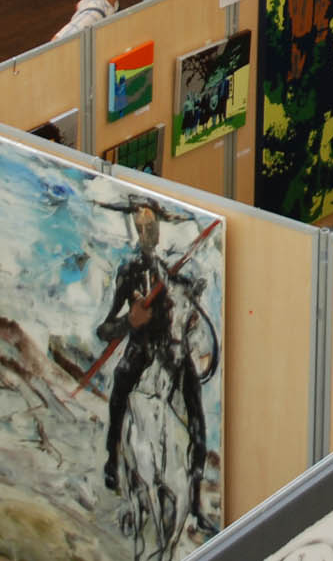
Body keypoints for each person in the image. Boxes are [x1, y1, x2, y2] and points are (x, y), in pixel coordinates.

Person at [96, 201, 212, 532]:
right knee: (120, 386)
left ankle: (195, 497)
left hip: (171, 352)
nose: (147, 233)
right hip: (141, 350)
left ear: (159, 230)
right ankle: (112, 458)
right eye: (141, 228)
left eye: (151, 227)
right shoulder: (129, 273)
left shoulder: (170, 273)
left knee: (196, 411)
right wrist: (129, 322)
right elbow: (104, 329)